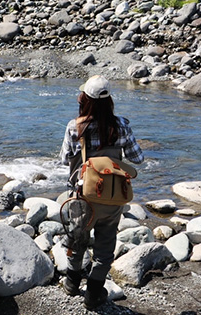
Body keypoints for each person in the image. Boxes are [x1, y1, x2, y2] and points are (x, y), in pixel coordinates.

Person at [59, 75, 144, 310]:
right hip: (112, 196)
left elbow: (64, 159)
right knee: (106, 244)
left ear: (85, 98)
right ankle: (94, 292)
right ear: (110, 100)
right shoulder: (123, 125)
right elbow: (138, 158)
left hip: (82, 197)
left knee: (77, 238)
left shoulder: (74, 126)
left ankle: (72, 282)